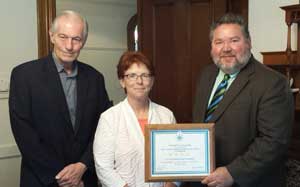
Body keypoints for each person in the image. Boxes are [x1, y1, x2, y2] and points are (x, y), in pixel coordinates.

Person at [188, 13, 294, 187]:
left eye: (234, 40)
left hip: (248, 182)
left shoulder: (273, 83)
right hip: (205, 180)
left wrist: (233, 173)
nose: (226, 48)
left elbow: (273, 141)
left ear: (248, 43)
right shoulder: (206, 75)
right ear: (212, 47)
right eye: (219, 42)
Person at [9, 10, 111, 187]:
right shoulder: (24, 76)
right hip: (42, 180)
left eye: (76, 39)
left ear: (83, 42)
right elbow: (25, 135)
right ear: (51, 36)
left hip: (84, 179)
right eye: (63, 37)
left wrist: (82, 166)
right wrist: (64, 178)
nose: (69, 46)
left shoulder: (95, 78)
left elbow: (103, 129)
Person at [93, 51, 179, 187]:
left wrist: (172, 183)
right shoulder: (109, 118)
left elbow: (176, 159)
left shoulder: (166, 115)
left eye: (145, 75)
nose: (139, 81)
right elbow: (103, 166)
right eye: (132, 75)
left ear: (152, 80)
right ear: (122, 81)